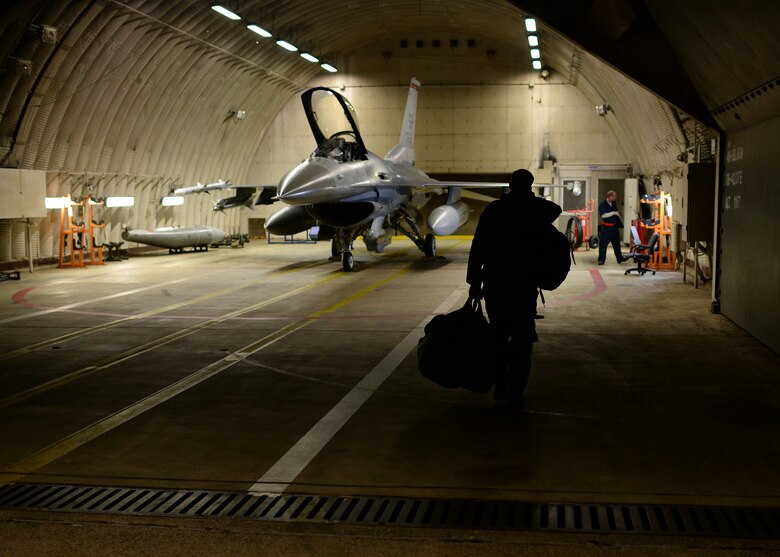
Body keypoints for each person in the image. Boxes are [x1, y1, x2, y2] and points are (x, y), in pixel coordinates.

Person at [466, 169, 562, 405]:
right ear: (530, 186)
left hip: (496, 285)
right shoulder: (535, 210)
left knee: (498, 337)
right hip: (524, 286)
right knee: (522, 341)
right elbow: (555, 210)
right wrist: (529, 198)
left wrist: (473, 282)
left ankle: (501, 388)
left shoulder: (494, 211)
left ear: (509, 184)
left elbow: (478, 246)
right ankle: (516, 392)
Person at [597, 190, 629, 265]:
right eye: (614, 197)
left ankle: (619, 258)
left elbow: (616, 214)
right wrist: (613, 213)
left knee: (617, 244)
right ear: (610, 196)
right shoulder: (603, 204)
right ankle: (601, 259)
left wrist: (620, 222)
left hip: (614, 228)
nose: (615, 198)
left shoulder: (613, 203)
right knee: (603, 244)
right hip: (606, 228)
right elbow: (603, 215)